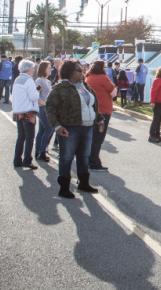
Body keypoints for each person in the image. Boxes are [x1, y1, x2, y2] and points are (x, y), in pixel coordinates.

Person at [46, 61, 104, 197]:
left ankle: (83, 183)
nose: (82, 72)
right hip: (70, 128)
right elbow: (50, 107)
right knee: (66, 157)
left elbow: (92, 105)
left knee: (84, 157)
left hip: (87, 127)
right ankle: (64, 188)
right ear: (70, 72)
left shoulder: (84, 86)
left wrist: (99, 119)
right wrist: (57, 126)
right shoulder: (60, 88)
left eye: (82, 69)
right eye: (79, 70)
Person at [84, 60, 117, 172]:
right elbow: (113, 92)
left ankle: (88, 160)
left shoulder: (88, 78)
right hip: (103, 111)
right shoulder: (103, 78)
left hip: (91, 111)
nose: (106, 68)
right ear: (100, 68)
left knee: (92, 137)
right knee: (98, 138)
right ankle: (94, 162)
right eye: (104, 67)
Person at [11, 60, 41, 169]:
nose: (33, 70)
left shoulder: (17, 79)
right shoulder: (29, 80)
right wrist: (37, 91)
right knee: (29, 137)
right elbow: (34, 97)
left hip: (18, 110)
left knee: (21, 136)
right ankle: (27, 160)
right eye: (32, 68)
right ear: (28, 69)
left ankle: (17, 160)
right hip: (28, 111)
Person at [34, 61, 55, 163]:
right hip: (42, 108)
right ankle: (42, 152)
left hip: (46, 108)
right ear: (43, 69)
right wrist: (47, 104)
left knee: (42, 131)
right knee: (49, 129)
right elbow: (36, 97)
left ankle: (38, 152)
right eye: (49, 67)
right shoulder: (39, 80)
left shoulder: (47, 81)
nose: (51, 69)